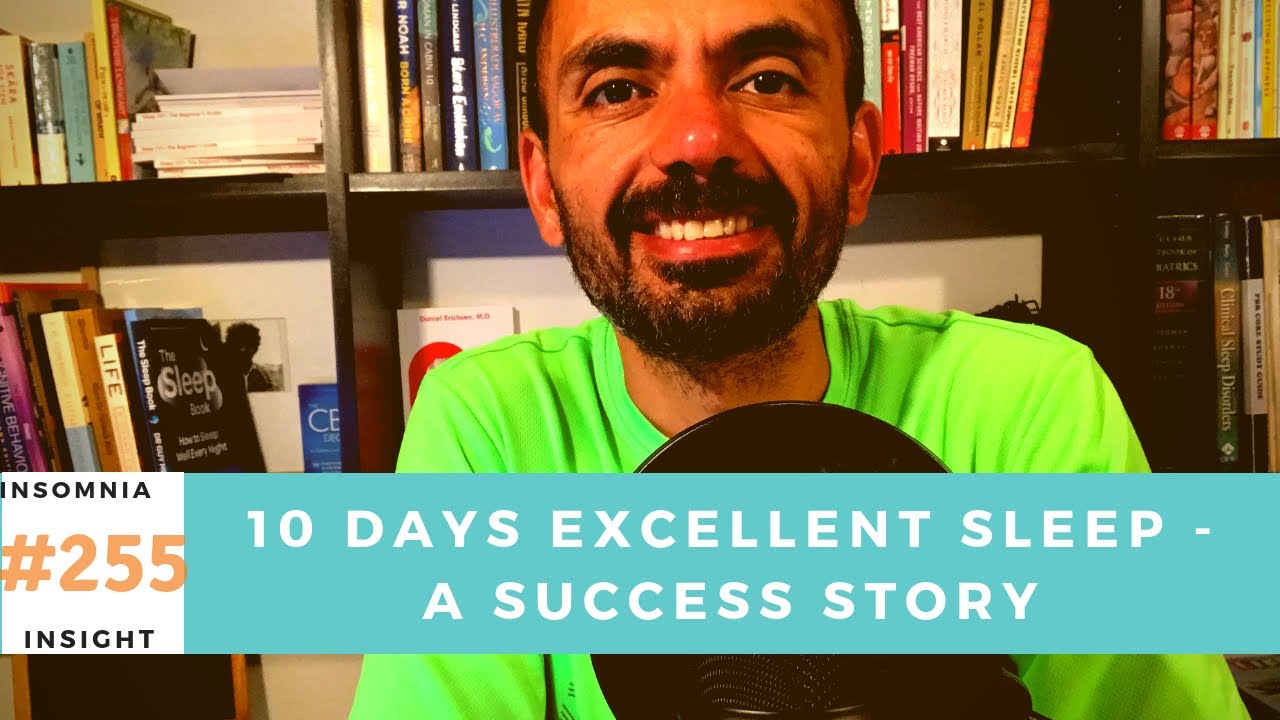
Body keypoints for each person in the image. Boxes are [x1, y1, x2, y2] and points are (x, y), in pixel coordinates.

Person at [349, 0, 1248, 717]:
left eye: (767, 79)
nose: (697, 140)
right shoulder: (487, 429)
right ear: (544, 187)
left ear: (857, 162)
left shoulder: (1029, 404)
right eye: (619, 89)